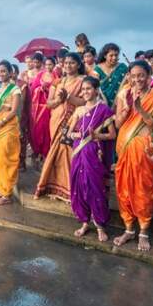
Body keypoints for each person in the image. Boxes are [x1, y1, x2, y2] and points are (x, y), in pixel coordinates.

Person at [113, 61, 153, 251]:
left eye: (141, 75)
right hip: (124, 147)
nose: (137, 79)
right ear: (129, 76)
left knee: (143, 190)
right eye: (133, 75)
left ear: (149, 77)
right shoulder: (124, 94)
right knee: (124, 190)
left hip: (144, 149)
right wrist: (128, 107)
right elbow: (117, 124)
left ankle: (144, 232)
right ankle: (129, 229)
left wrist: (140, 109)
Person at [68, 76, 116, 242]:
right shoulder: (79, 110)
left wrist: (97, 135)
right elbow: (69, 133)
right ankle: (84, 222)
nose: (85, 92)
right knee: (79, 187)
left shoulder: (103, 110)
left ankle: (100, 226)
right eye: (83, 89)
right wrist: (77, 134)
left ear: (96, 90)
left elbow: (112, 134)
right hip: (78, 152)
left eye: (88, 89)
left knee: (95, 188)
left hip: (94, 153)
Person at [34, 53, 86, 201]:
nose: (68, 65)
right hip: (56, 120)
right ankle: (54, 187)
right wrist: (58, 100)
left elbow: (84, 102)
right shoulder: (57, 82)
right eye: (66, 63)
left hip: (73, 121)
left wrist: (68, 98)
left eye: (72, 63)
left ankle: (71, 189)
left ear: (78, 64)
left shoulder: (82, 81)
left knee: (68, 153)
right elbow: (49, 104)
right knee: (55, 153)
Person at [0, 60, 22, 206]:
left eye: (3, 71)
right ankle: (1, 191)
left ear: (10, 73)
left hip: (7, 127)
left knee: (7, 159)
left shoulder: (15, 90)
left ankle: (7, 194)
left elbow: (13, 111)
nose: (1, 74)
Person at [29, 56, 60, 163]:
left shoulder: (57, 77)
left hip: (49, 109)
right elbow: (33, 90)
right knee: (37, 129)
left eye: (50, 64)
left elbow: (57, 93)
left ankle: (46, 153)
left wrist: (48, 90)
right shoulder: (40, 75)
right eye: (46, 64)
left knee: (46, 130)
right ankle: (36, 151)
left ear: (54, 65)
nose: (48, 67)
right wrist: (39, 89)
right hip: (38, 108)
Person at [94, 43, 128, 108]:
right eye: (111, 55)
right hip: (102, 104)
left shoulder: (123, 67)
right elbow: (95, 88)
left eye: (116, 55)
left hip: (120, 104)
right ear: (105, 56)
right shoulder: (97, 69)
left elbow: (127, 85)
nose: (114, 58)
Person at [12, 64, 30, 171]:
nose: (12, 74)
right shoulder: (5, 85)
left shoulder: (22, 84)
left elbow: (22, 101)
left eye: (14, 72)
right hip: (8, 116)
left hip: (21, 114)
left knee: (21, 138)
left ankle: (21, 162)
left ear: (17, 72)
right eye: (11, 71)